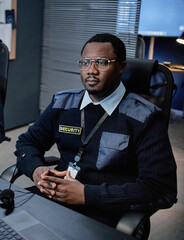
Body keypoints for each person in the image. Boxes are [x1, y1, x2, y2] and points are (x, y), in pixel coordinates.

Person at [14, 33, 177, 227]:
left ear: (121, 67)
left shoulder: (145, 117)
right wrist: (36, 170)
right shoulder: (62, 103)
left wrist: (87, 195)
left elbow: (161, 188)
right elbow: (27, 142)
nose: (91, 70)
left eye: (102, 62)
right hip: (55, 197)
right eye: (85, 62)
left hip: (104, 213)